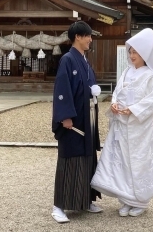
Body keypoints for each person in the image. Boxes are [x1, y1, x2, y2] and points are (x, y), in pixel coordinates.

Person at [91, 28, 153, 217]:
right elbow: (117, 91)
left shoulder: (149, 75)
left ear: (144, 54)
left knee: (138, 161)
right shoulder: (126, 72)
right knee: (121, 161)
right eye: (130, 52)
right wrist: (115, 104)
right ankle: (125, 199)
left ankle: (140, 201)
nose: (132, 56)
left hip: (139, 127)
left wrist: (132, 109)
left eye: (135, 52)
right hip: (122, 125)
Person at [51, 21, 102, 223]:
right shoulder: (67, 60)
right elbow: (62, 90)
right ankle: (58, 206)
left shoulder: (83, 60)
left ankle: (85, 200)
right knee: (70, 159)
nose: (90, 39)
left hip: (86, 117)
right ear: (78, 37)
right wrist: (65, 116)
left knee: (87, 158)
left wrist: (94, 91)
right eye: (88, 36)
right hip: (73, 120)